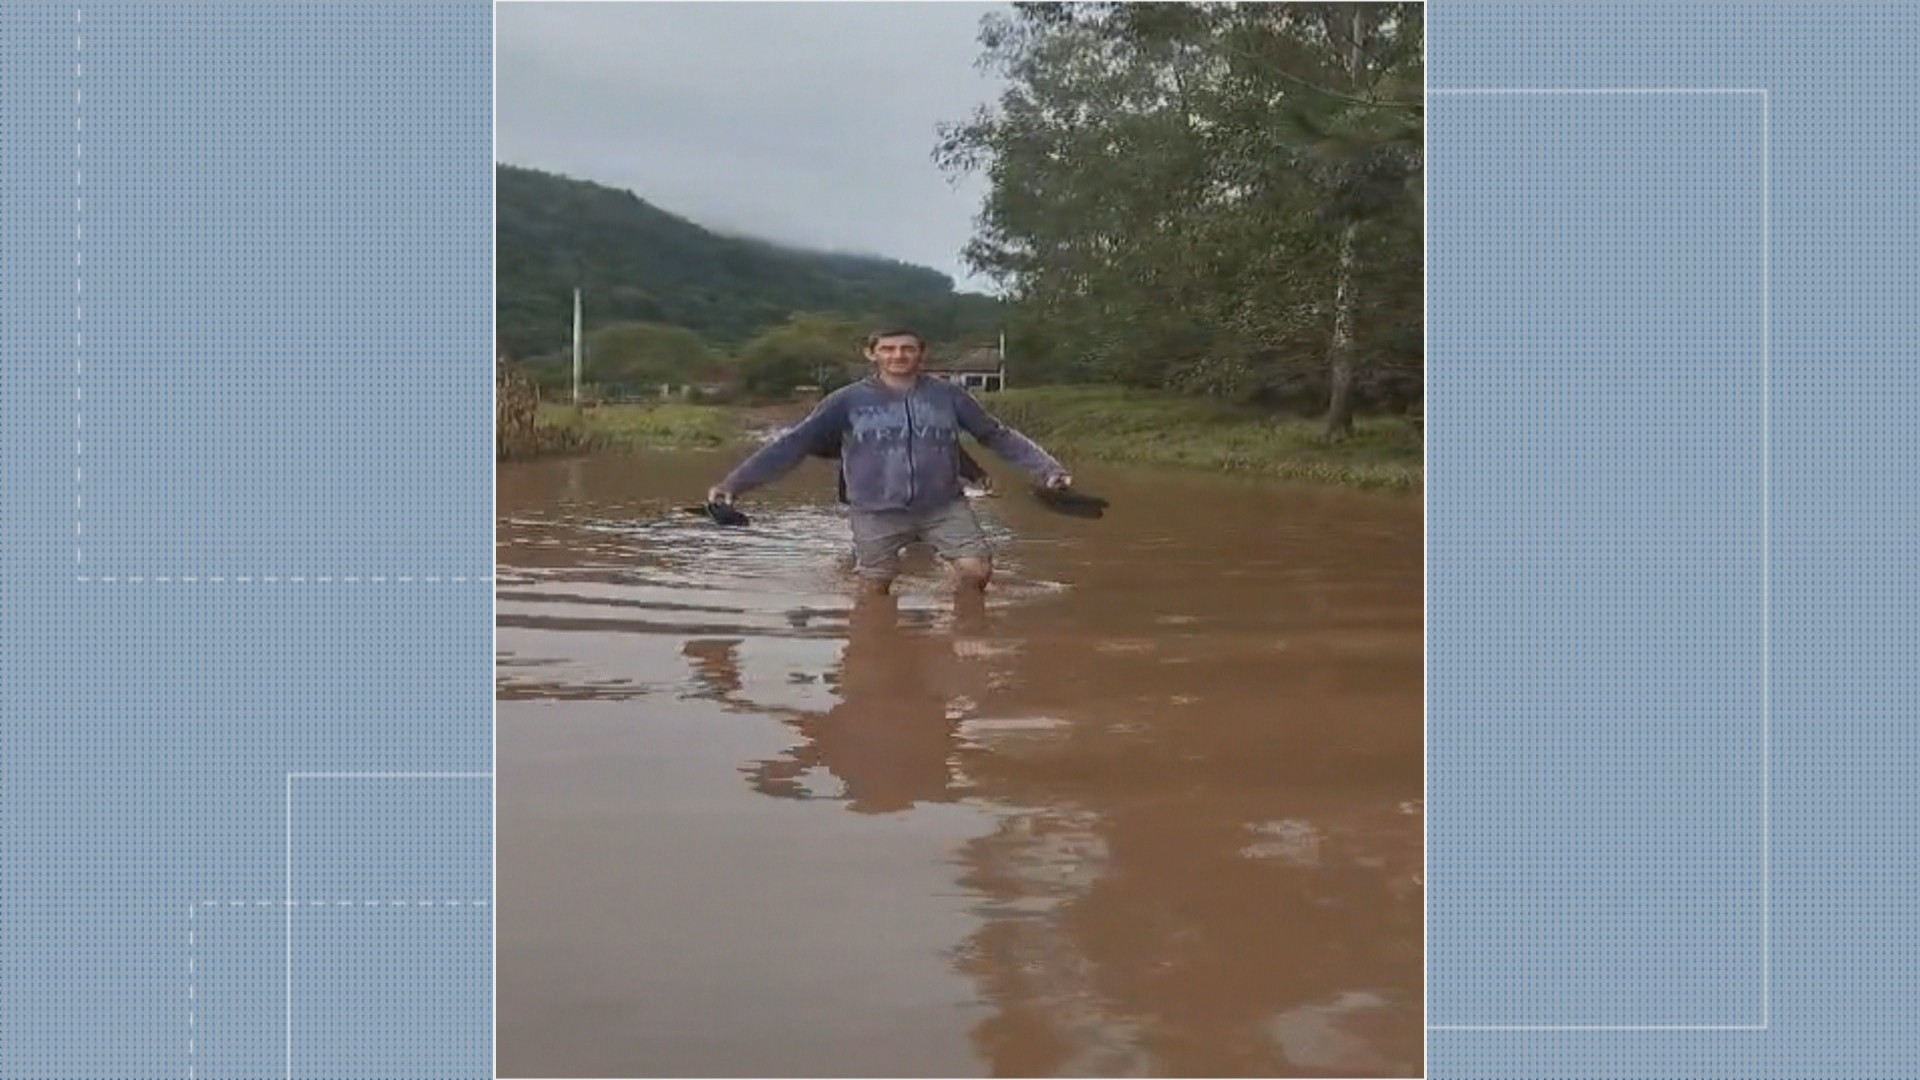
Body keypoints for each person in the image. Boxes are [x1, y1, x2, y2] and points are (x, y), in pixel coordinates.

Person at [708, 327, 1072, 595]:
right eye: (889, 349)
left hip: (943, 505)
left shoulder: (949, 397)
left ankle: (964, 631)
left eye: (907, 349)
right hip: (874, 508)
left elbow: (996, 434)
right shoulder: (846, 401)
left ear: (921, 354)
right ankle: (874, 653)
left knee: (977, 571)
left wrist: (1048, 469)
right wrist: (733, 485)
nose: (899, 355)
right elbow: (793, 444)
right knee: (874, 586)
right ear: (872, 354)